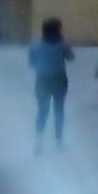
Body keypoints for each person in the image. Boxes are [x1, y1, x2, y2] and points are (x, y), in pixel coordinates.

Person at [28, 18, 73, 152]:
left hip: (42, 80)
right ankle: (58, 140)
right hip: (59, 80)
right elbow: (71, 57)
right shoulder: (62, 45)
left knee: (42, 110)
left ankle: (38, 140)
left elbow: (31, 63)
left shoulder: (35, 44)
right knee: (59, 110)